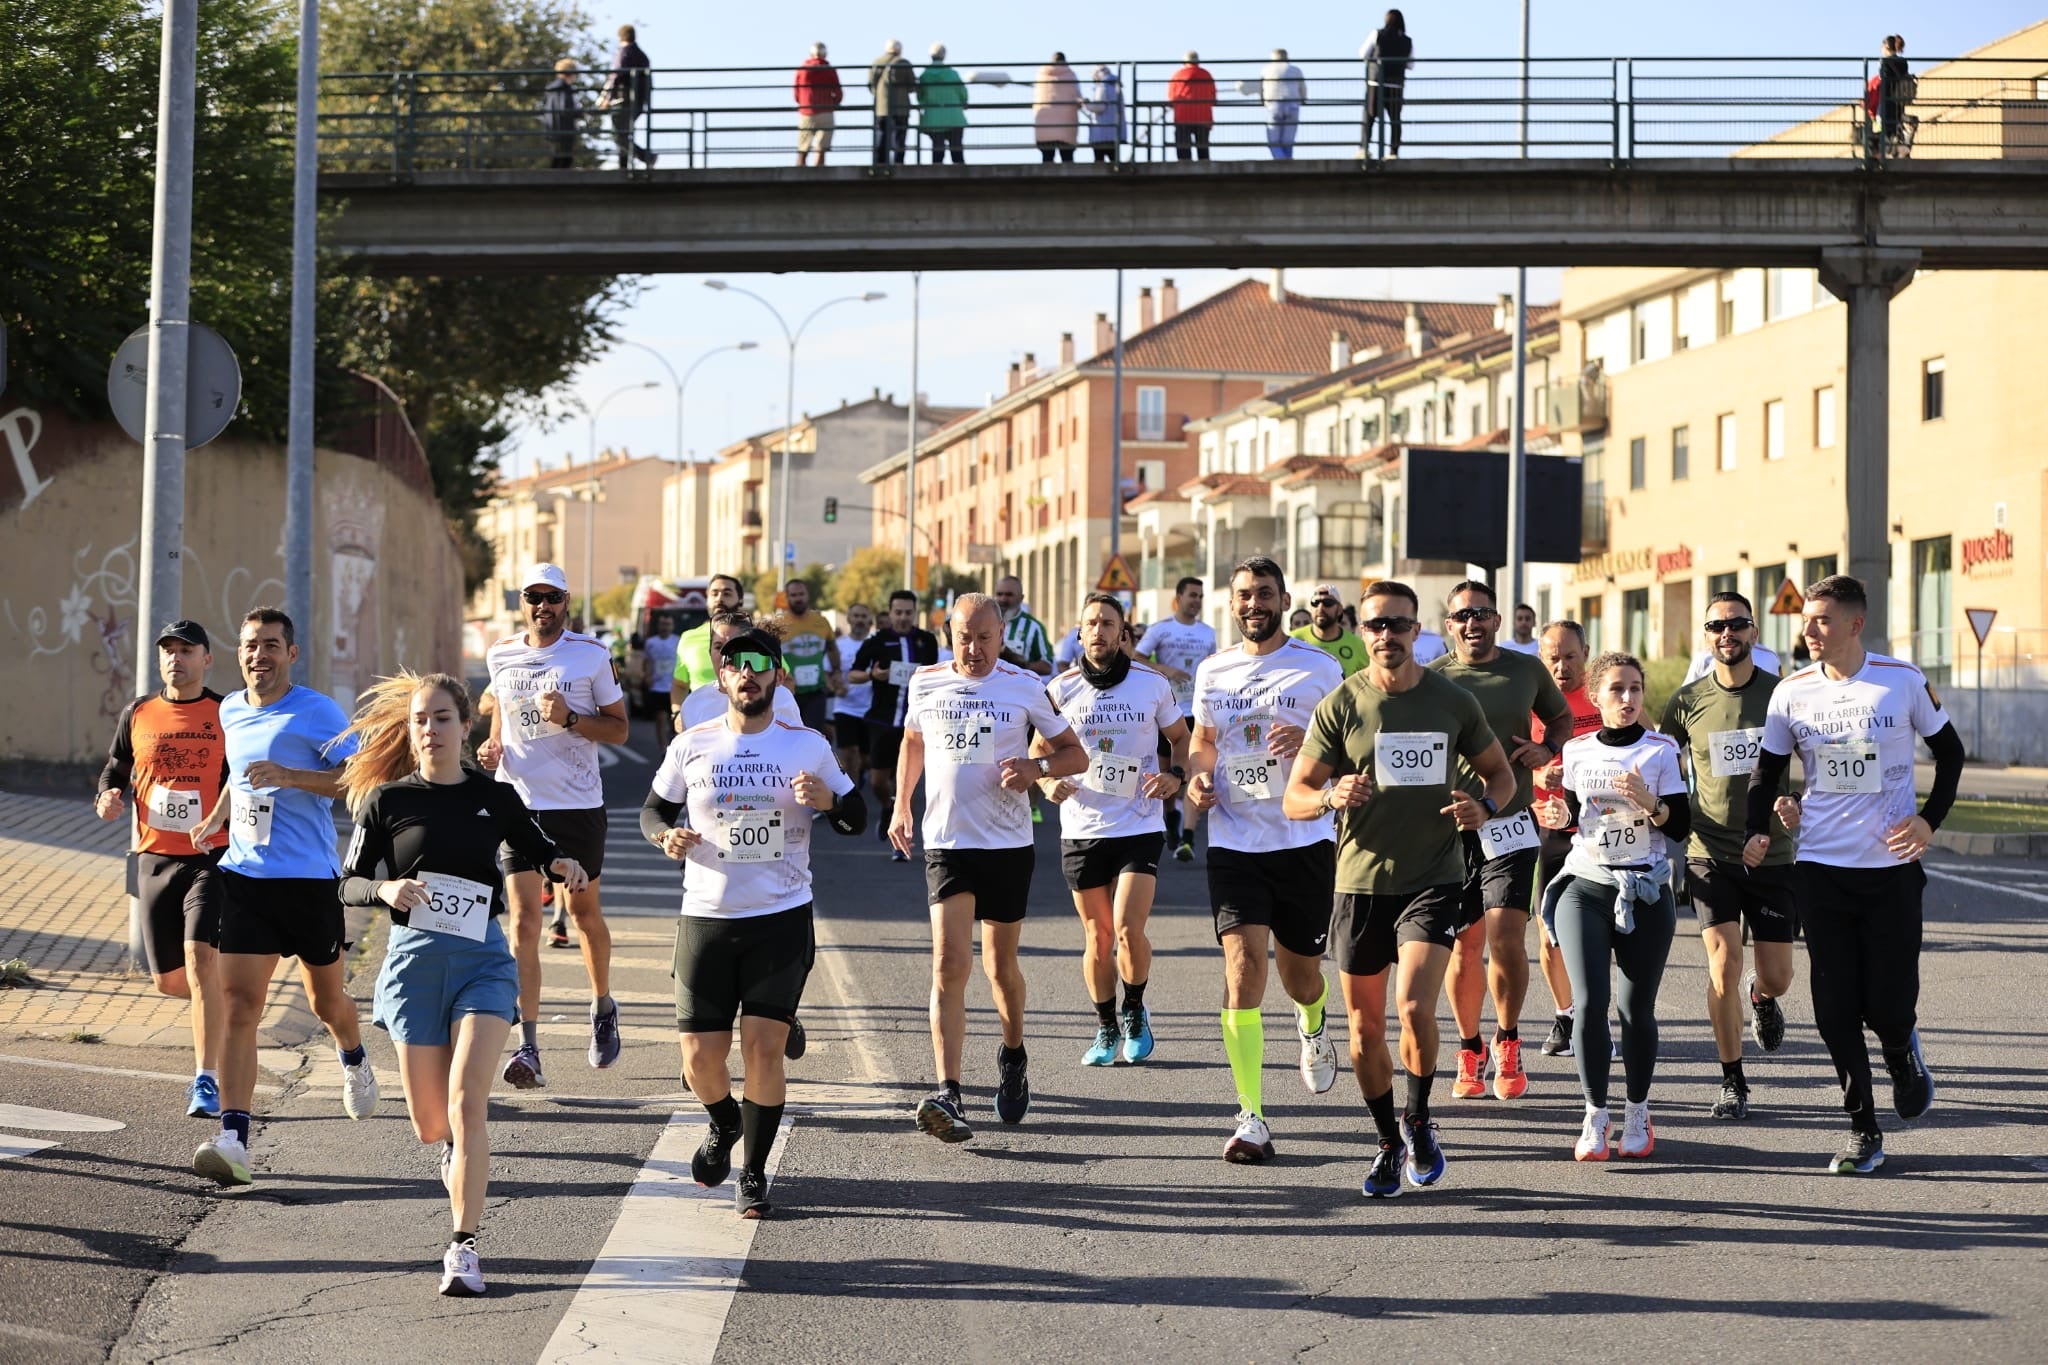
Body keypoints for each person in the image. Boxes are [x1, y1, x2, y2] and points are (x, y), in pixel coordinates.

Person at [336, 671, 588, 1295]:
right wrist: (385, 888)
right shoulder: (387, 802)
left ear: (463, 725)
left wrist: (564, 862)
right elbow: (345, 883)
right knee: (431, 1123)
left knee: (466, 1100)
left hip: (482, 962)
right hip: (414, 964)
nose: (430, 730)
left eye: (442, 718)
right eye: (421, 719)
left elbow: (537, 846)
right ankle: (449, 1148)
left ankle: (463, 1247)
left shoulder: (494, 796)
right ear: (410, 729)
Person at [1285, 581, 1515, 1197]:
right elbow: (1296, 793)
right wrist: (1329, 795)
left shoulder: (1453, 700)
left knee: (1414, 1006)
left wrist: (1485, 806)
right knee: (1363, 1030)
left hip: (1433, 877)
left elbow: (1500, 773)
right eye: (1376, 625)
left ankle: (1419, 1119)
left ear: (1419, 631)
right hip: (1358, 883)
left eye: (1399, 625)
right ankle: (1388, 1139)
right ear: (1362, 631)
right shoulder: (1340, 704)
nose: (1387, 636)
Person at [1743, 574, 1963, 1174]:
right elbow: (1767, 773)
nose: (1808, 630)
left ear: (1854, 624)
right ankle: (1862, 1128)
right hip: (1819, 868)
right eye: (1806, 620)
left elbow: (1951, 754)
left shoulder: (1900, 681)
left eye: (1820, 620)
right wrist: (1761, 826)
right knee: (1834, 1006)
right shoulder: (1791, 693)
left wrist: (1928, 822)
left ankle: (1900, 1050)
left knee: (1888, 1000)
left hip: (1891, 869)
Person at [642, 630, 866, 1217]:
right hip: (707, 919)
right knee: (699, 1060)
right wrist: (664, 836)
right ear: (721, 679)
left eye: (759, 664)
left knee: (763, 1049)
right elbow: (653, 809)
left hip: (780, 918)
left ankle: (755, 1173)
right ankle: (722, 1124)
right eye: (736, 665)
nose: (747, 674)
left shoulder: (808, 746)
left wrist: (830, 802)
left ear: (777, 676)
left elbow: (856, 816)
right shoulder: (691, 744)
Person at [890, 593, 1086, 1142]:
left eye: (983, 638)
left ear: (1002, 638)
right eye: (963, 637)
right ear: (949, 636)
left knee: (1001, 970)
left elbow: (1076, 756)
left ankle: (1014, 1054)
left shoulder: (1024, 687)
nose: (973, 649)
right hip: (948, 843)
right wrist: (902, 803)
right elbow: (912, 740)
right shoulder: (925, 682)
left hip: (1006, 845)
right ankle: (948, 1092)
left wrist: (1034, 766)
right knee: (950, 966)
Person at [189, 608, 375, 1187]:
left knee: (326, 1003)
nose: (258, 656)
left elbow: (355, 778)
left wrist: (293, 777)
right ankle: (234, 1138)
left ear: (291, 653)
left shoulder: (317, 710)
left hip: (308, 882)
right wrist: (217, 818)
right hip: (244, 876)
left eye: (270, 645)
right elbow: (238, 776)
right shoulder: (229, 708)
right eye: (250, 646)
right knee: (241, 1005)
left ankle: (353, 1054)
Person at [1183, 558, 1346, 1164]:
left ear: (1284, 600)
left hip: (1303, 839)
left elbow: (1350, 748)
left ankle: (1313, 1020)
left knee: (1299, 972)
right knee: (1244, 966)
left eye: (1266, 594)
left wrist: (1306, 743)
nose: (1255, 604)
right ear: (1232, 603)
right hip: (1233, 842)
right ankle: (1250, 1116)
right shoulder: (1213, 670)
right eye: (1245, 595)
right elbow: (1203, 741)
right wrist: (1198, 780)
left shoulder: (1318, 668)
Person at [478, 564, 631, 1088]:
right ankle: (529, 1047)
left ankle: (602, 1004)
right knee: (523, 923)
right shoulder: (501, 654)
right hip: (518, 803)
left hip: (578, 806)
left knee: (585, 914)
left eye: (552, 598)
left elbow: (618, 728)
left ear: (566, 601)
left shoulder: (589, 655)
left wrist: (570, 719)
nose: (542, 606)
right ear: (521, 601)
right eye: (533, 597)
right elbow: (501, 711)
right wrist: (493, 744)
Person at [1541, 650, 1690, 1162]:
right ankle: (1593, 1114)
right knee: (1588, 1004)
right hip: (1586, 884)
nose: (1627, 699)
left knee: (1635, 1011)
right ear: (1595, 695)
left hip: (1646, 888)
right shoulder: (1578, 751)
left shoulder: (1661, 750)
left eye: (1634, 689)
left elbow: (1681, 827)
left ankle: (1637, 1111)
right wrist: (1558, 813)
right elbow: (1570, 820)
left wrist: (1651, 803)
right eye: (1616, 690)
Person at [1430, 581, 1573, 1105]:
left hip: (1511, 821)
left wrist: (1546, 748)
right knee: (1465, 947)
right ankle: (1470, 1047)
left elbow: (1559, 717)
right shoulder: (1434, 678)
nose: (1472, 623)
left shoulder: (1525, 669)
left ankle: (1507, 1039)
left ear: (1498, 619)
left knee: (1505, 936)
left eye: (1481, 614)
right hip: (1451, 827)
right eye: (1461, 615)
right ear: (1449, 624)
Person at [1660, 592, 1796, 1122]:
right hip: (1709, 851)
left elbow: (1816, 757)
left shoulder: (1783, 696)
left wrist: (1795, 801)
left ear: (1753, 633)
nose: (1727, 633)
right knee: (1722, 966)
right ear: (1707, 634)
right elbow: (1657, 757)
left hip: (1774, 854)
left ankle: (1762, 998)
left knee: (1778, 974)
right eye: (1717, 625)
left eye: (1737, 624)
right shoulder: (1687, 700)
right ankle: (1732, 1079)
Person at [1038, 594, 1188, 1066]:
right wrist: (1046, 783)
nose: (1099, 631)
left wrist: (1175, 777)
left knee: (1126, 928)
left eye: (1108, 623)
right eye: (1090, 624)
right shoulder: (1059, 690)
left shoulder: (1151, 684)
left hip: (1139, 822)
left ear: (1123, 633)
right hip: (1081, 825)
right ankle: (1105, 1026)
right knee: (1098, 937)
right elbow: (1039, 752)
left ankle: (1135, 1010)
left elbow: (1181, 739)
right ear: (1079, 634)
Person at [96, 620, 231, 1118]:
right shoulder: (138, 712)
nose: (176, 658)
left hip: (210, 857)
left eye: (187, 650)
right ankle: (220, 1006)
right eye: (168, 651)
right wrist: (108, 794)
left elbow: (244, 779)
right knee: (171, 982)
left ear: (207, 659)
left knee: (200, 963)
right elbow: (117, 765)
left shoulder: (225, 713)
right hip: (152, 858)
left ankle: (206, 1079)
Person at [1530, 620, 1604, 1058]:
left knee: (1601, 933)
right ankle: (1565, 1015)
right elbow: (1502, 758)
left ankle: (1596, 1017)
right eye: (1552, 658)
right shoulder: (1532, 703)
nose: (1561, 667)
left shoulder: (1605, 694)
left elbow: (1645, 741)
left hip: (1602, 829)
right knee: (1549, 932)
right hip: (1550, 827)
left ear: (1586, 653)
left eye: (1570, 656)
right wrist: (1540, 773)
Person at [849, 591, 941, 861]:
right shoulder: (878, 641)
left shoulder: (926, 640)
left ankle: (901, 842)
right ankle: (889, 808)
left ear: (915, 613)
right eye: (897, 612)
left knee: (907, 783)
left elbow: (937, 673)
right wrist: (872, 675)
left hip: (916, 724)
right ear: (889, 613)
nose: (902, 617)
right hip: (882, 720)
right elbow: (853, 674)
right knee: (878, 781)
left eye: (907, 612)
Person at [1137, 576, 1216, 863]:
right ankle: (1171, 820)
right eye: (1192, 595)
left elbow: (1212, 669)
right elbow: (1136, 657)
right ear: (1178, 597)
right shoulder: (1161, 629)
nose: (1196, 601)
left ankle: (1188, 838)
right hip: (1167, 714)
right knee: (1169, 773)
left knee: (1195, 772)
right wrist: (1165, 669)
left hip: (1196, 711)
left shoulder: (1208, 633)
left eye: (1200, 596)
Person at [681, 611, 803, 730]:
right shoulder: (693, 704)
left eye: (733, 647)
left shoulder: (781, 697)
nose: (725, 655)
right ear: (709, 653)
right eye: (718, 647)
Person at [673, 573, 747, 716]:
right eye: (714, 594)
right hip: (700, 724)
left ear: (740, 600)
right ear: (707, 600)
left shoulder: (756, 636)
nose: (719, 599)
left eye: (727, 593)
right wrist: (676, 714)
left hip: (746, 725)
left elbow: (784, 679)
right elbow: (679, 685)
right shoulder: (688, 638)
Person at [776, 577, 843, 734]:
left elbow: (832, 648)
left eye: (801, 594)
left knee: (813, 734)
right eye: (793, 595)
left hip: (816, 691)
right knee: (790, 735)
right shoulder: (779, 624)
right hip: (789, 692)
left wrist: (836, 671)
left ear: (807, 595)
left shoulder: (821, 621)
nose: (798, 598)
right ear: (786, 598)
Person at [599, 23, 655, 170]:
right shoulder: (642, 55)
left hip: (622, 100)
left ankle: (646, 157)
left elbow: (617, 74)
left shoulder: (624, 52)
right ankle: (624, 165)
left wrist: (607, 97)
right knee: (623, 133)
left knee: (619, 135)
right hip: (638, 101)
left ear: (620, 37)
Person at [832, 602, 875, 785]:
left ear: (870, 621)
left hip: (870, 708)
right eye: (855, 616)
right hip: (845, 707)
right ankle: (851, 795)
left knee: (866, 759)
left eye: (863, 617)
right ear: (848, 619)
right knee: (849, 754)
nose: (859, 620)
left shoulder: (876, 644)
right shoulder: (839, 645)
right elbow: (829, 671)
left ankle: (861, 772)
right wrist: (836, 686)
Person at [1360, 10, 1413, 160]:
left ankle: (1364, 148)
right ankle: (1393, 152)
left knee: (1369, 117)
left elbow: (1363, 53)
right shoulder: (1407, 40)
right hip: (1396, 85)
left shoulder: (1377, 34)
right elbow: (1411, 64)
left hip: (1376, 82)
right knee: (1395, 119)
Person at [1290, 583, 1367, 676]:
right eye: (1315, 602)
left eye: (1328, 603)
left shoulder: (1358, 645)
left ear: (1339, 609)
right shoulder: (1293, 639)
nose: (1320, 608)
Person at [993, 575, 1054, 676]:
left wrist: (1019, 663)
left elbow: (1047, 666)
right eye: (999, 594)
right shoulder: (985, 623)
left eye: (1009, 595)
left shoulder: (1034, 627)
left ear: (1021, 598)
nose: (1003, 599)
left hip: (1017, 688)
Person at [1868, 35, 1916, 159]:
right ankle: (1898, 152)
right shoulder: (1903, 62)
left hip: (1886, 101)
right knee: (1893, 129)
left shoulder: (1884, 62)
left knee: (1881, 132)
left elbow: (1884, 81)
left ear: (1885, 46)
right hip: (1898, 102)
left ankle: (1894, 153)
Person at [918, 44, 968, 164]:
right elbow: (962, 92)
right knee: (956, 150)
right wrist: (964, 103)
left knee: (937, 149)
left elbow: (921, 97)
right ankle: (961, 174)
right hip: (954, 116)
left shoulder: (925, 76)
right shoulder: (952, 74)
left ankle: (935, 173)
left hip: (934, 117)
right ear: (944, 55)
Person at [794, 42, 842, 168]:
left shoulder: (803, 69)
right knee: (822, 146)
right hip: (826, 110)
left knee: (803, 145)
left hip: (806, 111)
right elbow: (838, 92)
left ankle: (800, 168)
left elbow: (796, 92)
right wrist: (833, 103)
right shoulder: (829, 70)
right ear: (824, 54)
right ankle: (819, 169)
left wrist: (803, 103)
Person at [868, 39, 915, 166]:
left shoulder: (877, 62)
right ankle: (898, 161)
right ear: (899, 50)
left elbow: (871, 85)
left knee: (881, 134)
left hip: (882, 107)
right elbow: (912, 86)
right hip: (901, 106)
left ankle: (880, 161)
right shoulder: (904, 63)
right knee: (900, 135)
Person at [1167, 52, 1216, 161]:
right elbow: (1213, 98)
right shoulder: (1206, 75)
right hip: (1203, 117)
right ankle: (1205, 166)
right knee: (1203, 149)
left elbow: (1171, 98)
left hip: (1182, 117)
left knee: (1183, 151)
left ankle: (1183, 166)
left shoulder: (1177, 75)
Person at [1033, 54, 1081, 163]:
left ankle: (1045, 179)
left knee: (1047, 158)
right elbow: (1077, 96)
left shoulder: (1041, 75)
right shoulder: (1070, 75)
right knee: (1067, 158)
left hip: (1044, 124)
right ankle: (1069, 179)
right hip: (1066, 124)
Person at [1261, 49, 1306, 160]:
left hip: (1274, 105)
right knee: (1288, 141)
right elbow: (1303, 89)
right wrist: (1303, 100)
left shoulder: (1266, 70)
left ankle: (1281, 161)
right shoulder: (1296, 70)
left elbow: (1261, 89)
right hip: (1293, 105)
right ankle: (1288, 161)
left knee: (1273, 141)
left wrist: (1263, 101)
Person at [644, 613, 680, 751]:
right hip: (658, 688)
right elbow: (647, 661)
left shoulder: (677, 641)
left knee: (675, 723)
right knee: (660, 719)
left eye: (668, 624)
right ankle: (663, 750)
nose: (665, 627)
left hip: (674, 688)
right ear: (658, 626)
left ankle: (675, 748)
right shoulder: (651, 642)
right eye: (662, 624)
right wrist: (647, 676)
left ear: (672, 626)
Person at [542, 59, 581, 169]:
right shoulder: (565, 88)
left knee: (557, 159)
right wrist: (580, 113)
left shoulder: (552, 88)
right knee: (565, 160)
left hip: (553, 128)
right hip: (565, 129)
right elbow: (565, 109)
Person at [1083, 65, 1126, 164]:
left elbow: (1099, 107)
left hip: (1101, 133)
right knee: (1114, 160)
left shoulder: (1102, 86)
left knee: (1099, 160)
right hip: (1114, 132)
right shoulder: (1116, 86)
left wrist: (1086, 104)